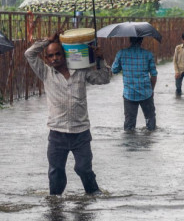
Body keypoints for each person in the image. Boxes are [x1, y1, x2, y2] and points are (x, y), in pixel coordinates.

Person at [24, 31, 111, 196]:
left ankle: (94, 196)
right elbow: (29, 54)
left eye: (58, 54)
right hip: (57, 133)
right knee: (55, 172)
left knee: (83, 168)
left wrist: (100, 59)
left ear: (65, 55)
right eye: (50, 56)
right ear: (46, 59)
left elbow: (104, 79)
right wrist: (47, 40)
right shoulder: (46, 73)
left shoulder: (80, 70)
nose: (54, 58)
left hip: (81, 132)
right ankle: (55, 202)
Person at [111, 37, 158, 130]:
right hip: (146, 93)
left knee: (129, 125)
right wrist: (151, 89)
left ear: (130, 40)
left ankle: (131, 143)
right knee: (150, 120)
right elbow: (154, 75)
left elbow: (114, 70)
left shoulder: (121, 53)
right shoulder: (148, 54)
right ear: (141, 41)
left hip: (129, 94)